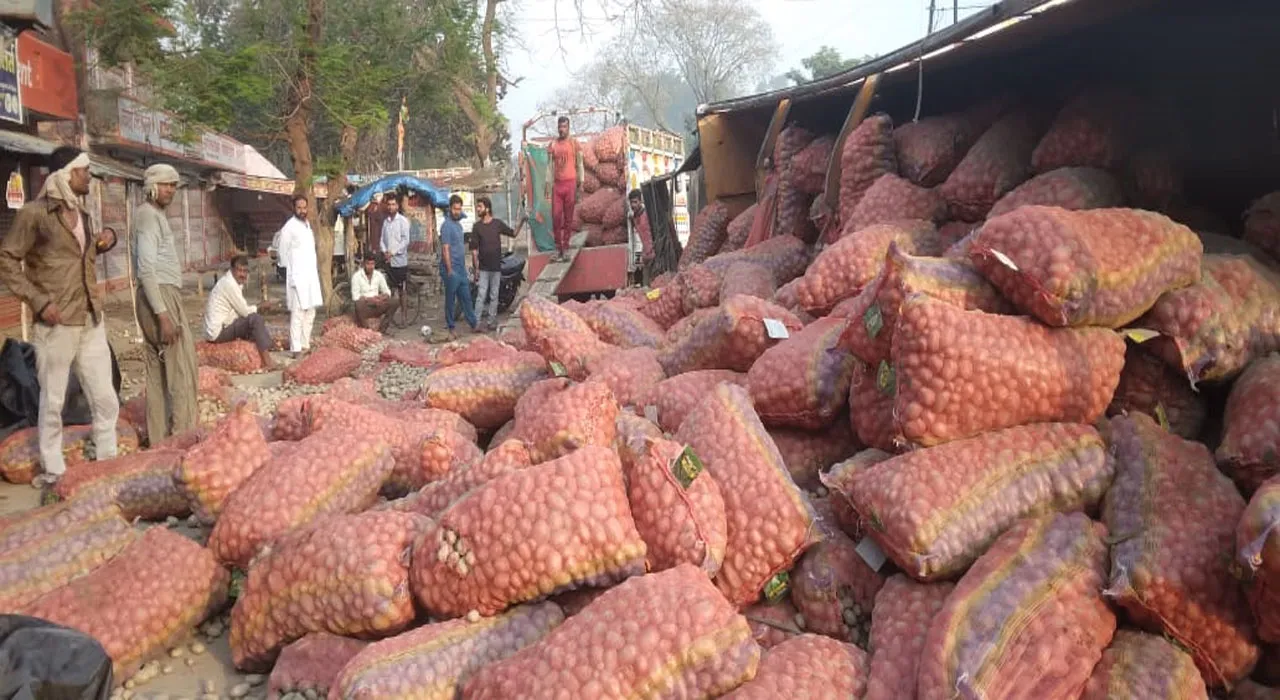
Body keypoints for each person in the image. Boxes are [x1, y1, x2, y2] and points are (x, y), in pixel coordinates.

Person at [0, 146, 120, 485]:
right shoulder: (35, 214)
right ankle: (54, 470)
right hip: (55, 322)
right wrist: (38, 302)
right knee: (52, 401)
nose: (89, 176)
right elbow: (7, 259)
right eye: (84, 171)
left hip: (89, 317)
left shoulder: (83, 214)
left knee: (105, 396)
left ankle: (107, 465)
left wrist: (107, 239)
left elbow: (83, 254)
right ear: (65, 175)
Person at [133, 163, 199, 444]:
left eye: (174, 185)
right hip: (160, 295)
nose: (171, 190)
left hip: (155, 295)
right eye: (166, 184)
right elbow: (147, 268)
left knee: (157, 375)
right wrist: (162, 314)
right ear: (152, 186)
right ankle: (182, 440)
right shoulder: (148, 216)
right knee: (181, 371)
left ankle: (159, 442)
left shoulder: (151, 215)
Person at [203, 254, 277, 370]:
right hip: (218, 332)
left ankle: (256, 358)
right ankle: (267, 362)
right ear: (232, 270)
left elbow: (240, 310)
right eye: (239, 270)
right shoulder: (228, 284)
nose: (243, 274)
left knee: (253, 324)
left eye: (245, 271)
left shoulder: (232, 283)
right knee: (255, 319)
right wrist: (260, 306)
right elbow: (245, 312)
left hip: (224, 325)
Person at [278, 194, 323, 358]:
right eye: (299, 208)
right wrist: (288, 274)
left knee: (311, 311)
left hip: (310, 275)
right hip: (297, 277)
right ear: (294, 208)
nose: (302, 211)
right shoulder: (288, 228)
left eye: (305, 208)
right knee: (298, 313)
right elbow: (282, 254)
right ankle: (296, 348)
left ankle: (305, 344)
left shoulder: (307, 225)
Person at [469, 195, 515, 331]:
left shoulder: (497, 224)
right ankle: (476, 323)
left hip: (496, 267)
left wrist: (523, 221)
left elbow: (513, 233)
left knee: (494, 295)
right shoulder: (476, 227)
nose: (477, 209)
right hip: (483, 268)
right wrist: (476, 269)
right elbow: (474, 251)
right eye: (477, 206)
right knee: (481, 296)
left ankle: (491, 322)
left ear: (487, 209)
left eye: (480, 206)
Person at [440, 194, 478, 339]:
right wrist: (449, 270)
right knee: (450, 299)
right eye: (455, 209)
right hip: (451, 269)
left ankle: (474, 324)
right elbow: (445, 249)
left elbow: (464, 216)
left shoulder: (458, 224)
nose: (457, 211)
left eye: (459, 209)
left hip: (461, 268)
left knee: (466, 298)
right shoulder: (446, 226)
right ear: (450, 208)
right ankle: (451, 327)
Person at [547, 116, 583, 261]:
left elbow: (580, 164)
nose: (562, 129)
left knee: (568, 218)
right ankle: (557, 248)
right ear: (557, 127)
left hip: (570, 183)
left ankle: (566, 248)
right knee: (556, 217)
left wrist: (581, 182)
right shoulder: (553, 144)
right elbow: (549, 167)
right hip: (557, 185)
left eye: (564, 127)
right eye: (560, 127)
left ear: (568, 127)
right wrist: (547, 184)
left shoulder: (574, 143)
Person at [380, 193, 410, 302]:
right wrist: (385, 252)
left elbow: (405, 240)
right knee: (391, 290)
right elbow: (382, 240)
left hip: (400, 262)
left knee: (402, 290)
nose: (391, 207)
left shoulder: (403, 221)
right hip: (388, 261)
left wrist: (393, 252)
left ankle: (404, 317)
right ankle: (391, 316)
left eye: (393, 204)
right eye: (389, 204)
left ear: (397, 206)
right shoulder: (386, 222)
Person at [351, 254, 393, 331]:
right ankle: (366, 329)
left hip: (378, 305)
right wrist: (370, 300)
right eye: (368, 264)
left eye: (372, 264)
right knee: (358, 304)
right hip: (366, 307)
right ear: (363, 264)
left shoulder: (378, 275)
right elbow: (355, 297)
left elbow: (387, 291)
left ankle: (382, 329)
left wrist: (381, 297)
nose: (370, 267)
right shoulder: (356, 277)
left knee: (394, 301)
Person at [629, 189, 655, 265]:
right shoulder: (634, 217)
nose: (633, 205)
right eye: (631, 202)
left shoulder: (647, 215)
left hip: (653, 255)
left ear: (640, 202)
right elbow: (638, 240)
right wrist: (638, 261)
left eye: (635, 202)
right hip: (645, 257)